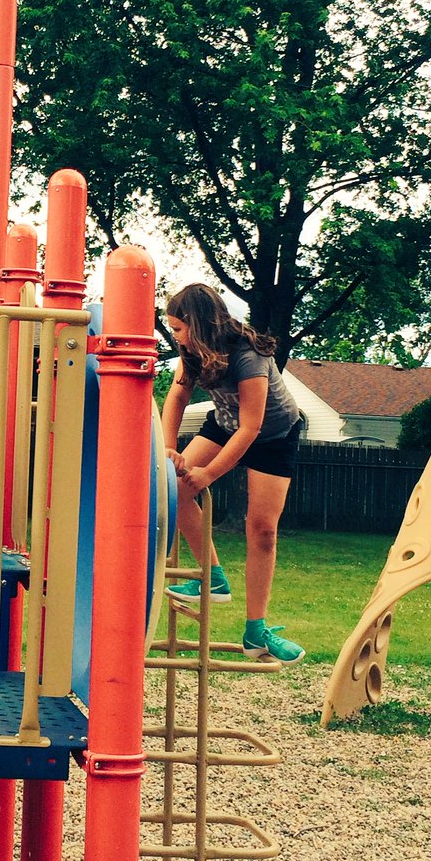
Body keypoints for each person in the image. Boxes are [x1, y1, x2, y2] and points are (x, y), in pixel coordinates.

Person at [160, 283, 306, 664]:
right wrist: (167, 448)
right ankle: (214, 577)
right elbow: (176, 396)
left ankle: (256, 632)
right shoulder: (191, 353)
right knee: (172, 487)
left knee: (262, 530)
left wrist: (208, 473)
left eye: (178, 328)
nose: (175, 337)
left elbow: (252, 428)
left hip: (273, 435)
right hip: (225, 425)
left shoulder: (248, 353)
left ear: (199, 324)